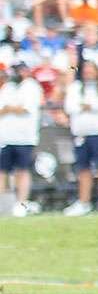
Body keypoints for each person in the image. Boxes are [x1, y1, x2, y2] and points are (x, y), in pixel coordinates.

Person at [63, 60, 98, 215]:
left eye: (90, 69)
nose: (88, 72)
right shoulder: (75, 88)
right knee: (83, 169)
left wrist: (86, 106)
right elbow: (70, 106)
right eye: (85, 70)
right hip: (81, 133)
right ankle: (83, 201)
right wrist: (89, 106)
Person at [0, 62, 43, 217]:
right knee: (2, 171)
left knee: (22, 171)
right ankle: (4, 203)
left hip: (25, 137)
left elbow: (26, 108)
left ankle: (21, 203)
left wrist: (9, 108)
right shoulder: (7, 87)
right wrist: (12, 108)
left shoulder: (32, 87)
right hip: (6, 136)